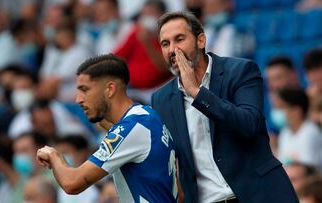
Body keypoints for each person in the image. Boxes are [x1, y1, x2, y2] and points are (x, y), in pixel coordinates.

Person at [151, 11, 298, 203]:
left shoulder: (240, 71)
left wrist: (197, 93)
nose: (173, 50)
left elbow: (249, 125)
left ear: (201, 40)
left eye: (179, 39)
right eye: (165, 44)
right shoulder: (161, 99)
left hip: (260, 196)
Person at [36, 54, 178, 202]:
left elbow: (72, 183)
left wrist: (53, 155)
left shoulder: (131, 127)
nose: (78, 99)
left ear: (110, 89)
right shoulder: (147, 116)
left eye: (85, 90)